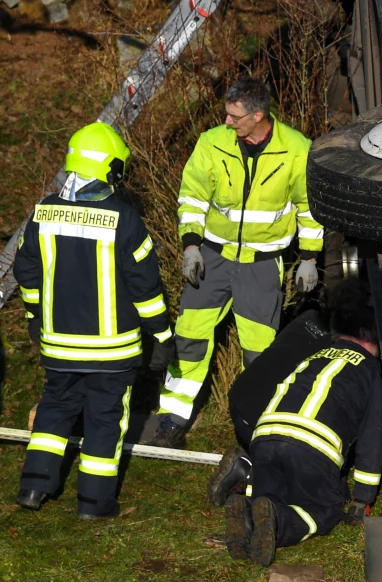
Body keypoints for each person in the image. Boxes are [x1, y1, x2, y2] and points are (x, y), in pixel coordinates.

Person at [149, 76, 325, 449]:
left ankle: (252, 425)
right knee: (190, 337)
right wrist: (191, 246)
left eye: (234, 116)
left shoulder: (296, 149)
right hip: (211, 258)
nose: (226, 122)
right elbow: (193, 196)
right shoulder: (212, 143)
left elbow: (310, 208)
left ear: (258, 115)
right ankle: (173, 418)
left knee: (259, 351)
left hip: (262, 266)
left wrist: (309, 257)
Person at [13, 121, 175, 518]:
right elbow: (146, 288)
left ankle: (34, 488)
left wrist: (36, 315)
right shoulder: (124, 218)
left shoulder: (43, 212)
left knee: (54, 411)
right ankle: (94, 503)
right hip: (111, 350)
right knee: (104, 422)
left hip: (58, 344)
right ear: (111, 170)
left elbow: (26, 272)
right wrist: (162, 336)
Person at [223, 280, 382, 567]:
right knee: (325, 508)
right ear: (363, 333)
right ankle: (278, 522)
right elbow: (372, 439)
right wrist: (362, 498)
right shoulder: (371, 371)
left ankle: (248, 514)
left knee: (274, 492)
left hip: (265, 437)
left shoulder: (316, 356)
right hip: (312, 447)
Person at [206, 293, 332, 508]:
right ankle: (247, 471)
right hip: (264, 418)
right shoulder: (337, 349)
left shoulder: (308, 318)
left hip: (241, 399)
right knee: (304, 491)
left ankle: (255, 464)